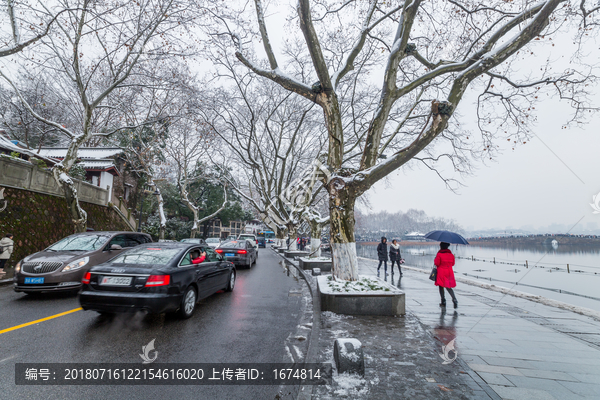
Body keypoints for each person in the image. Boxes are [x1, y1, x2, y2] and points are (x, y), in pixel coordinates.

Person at [434, 242, 458, 308]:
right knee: (448, 286)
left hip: (441, 272)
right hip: (449, 272)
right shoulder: (451, 255)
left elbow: (437, 263)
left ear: (441, 246)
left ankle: (443, 301)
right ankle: (454, 299)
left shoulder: (439, 254)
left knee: (441, 286)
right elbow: (453, 264)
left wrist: (435, 258)